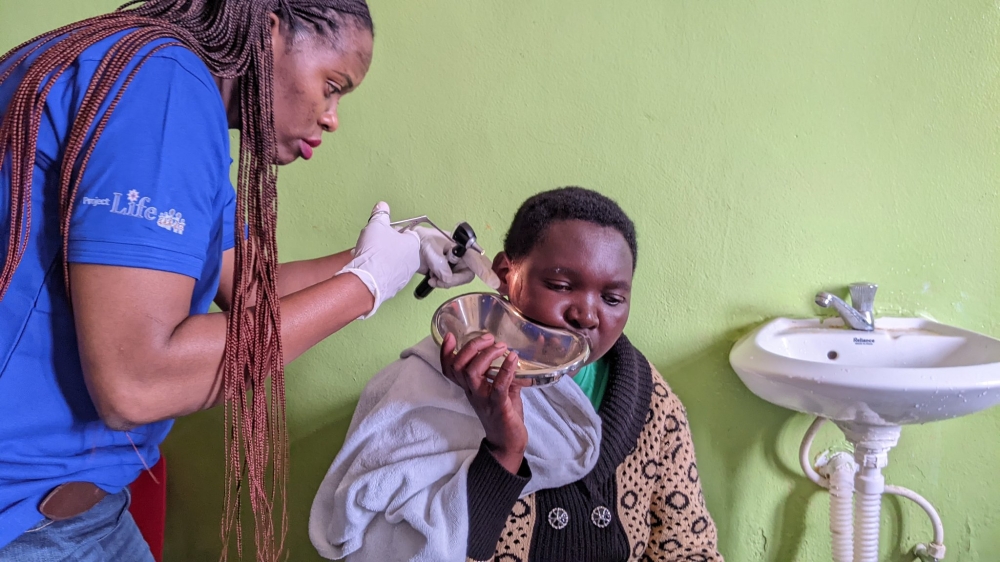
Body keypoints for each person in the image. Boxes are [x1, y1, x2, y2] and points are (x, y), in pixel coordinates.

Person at [0, 1, 495, 561]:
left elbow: (254, 289)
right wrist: (365, 285)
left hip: (72, 515)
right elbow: (136, 381)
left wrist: (396, 253)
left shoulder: (155, 86)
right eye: (332, 85)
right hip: (24, 522)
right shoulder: (163, 84)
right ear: (268, 30)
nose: (333, 116)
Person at [310, 187, 723, 562]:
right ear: (507, 275)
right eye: (561, 285)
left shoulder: (649, 401)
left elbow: (689, 548)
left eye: (613, 298)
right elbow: (386, 546)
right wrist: (503, 452)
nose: (587, 314)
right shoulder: (426, 388)